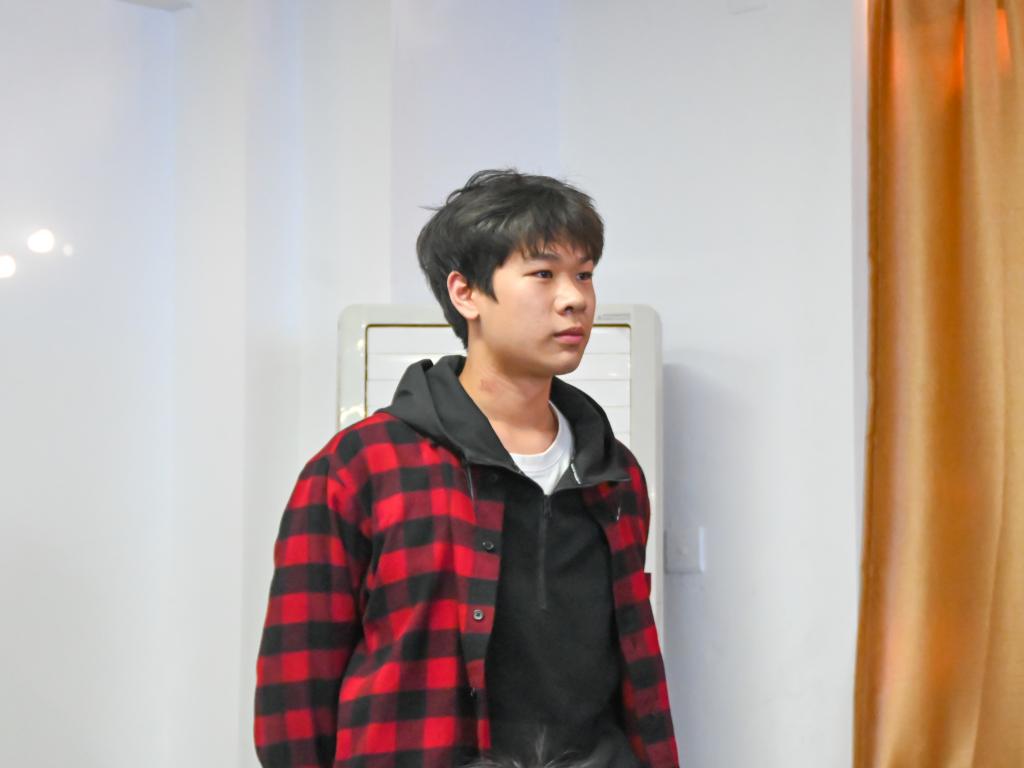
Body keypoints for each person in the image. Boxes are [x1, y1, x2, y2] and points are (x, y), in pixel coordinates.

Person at [254, 169, 679, 768]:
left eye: (584, 274)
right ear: (466, 293)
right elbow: (295, 698)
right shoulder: (362, 466)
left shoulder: (614, 474)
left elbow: (633, 678)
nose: (575, 298)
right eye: (543, 273)